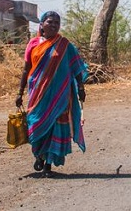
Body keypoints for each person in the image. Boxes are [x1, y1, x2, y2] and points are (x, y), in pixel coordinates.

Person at [16, 11, 88, 177]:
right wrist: (19, 93)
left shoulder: (65, 45)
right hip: (37, 95)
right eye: (50, 22)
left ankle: (48, 164)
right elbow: (26, 69)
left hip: (60, 96)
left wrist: (81, 88)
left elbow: (76, 67)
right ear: (41, 24)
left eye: (57, 22)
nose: (54, 25)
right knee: (36, 123)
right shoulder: (33, 44)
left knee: (55, 125)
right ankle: (39, 155)